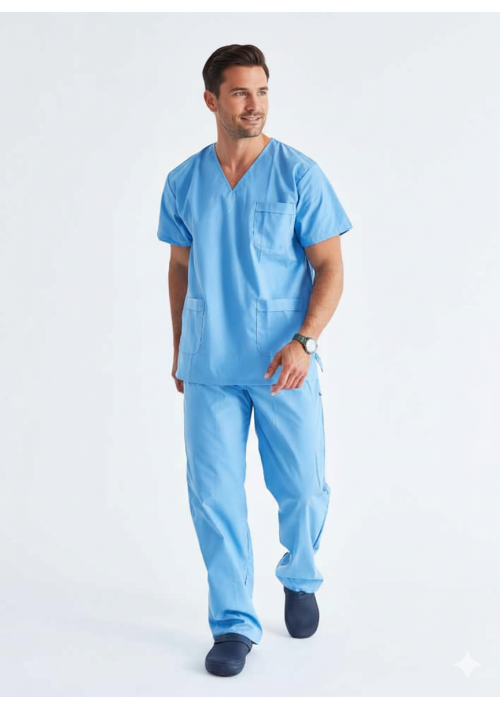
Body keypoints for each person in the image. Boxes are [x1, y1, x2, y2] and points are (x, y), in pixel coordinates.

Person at [157, 44, 352, 677]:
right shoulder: (184, 182)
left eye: (262, 91)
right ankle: (234, 623)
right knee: (214, 498)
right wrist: (180, 346)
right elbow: (180, 266)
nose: (254, 104)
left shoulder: (299, 175)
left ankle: (300, 574)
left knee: (303, 488)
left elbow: (330, 267)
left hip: (283, 364)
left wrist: (306, 342)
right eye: (240, 92)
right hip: (211, 365)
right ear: (211, 100)